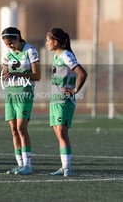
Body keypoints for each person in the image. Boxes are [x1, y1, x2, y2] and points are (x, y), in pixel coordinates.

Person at [46, 28, 87, 177]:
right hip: (56, 100)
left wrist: (75, 90)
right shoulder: (57, 56)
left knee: (62, 133)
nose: (46, 43)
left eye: (48, 40)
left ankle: (67, 168)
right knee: (58, 132)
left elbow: (82, 73)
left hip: (64, 100)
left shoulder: (65, 55)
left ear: (55, 42)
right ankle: (64, 167)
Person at [0, 27, 41, 175]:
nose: (9, 46)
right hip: (10, 93)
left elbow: (37, 76)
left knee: (21, 128)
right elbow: (5, 72)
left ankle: (28, 165)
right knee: (13, 130)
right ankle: (20, 164)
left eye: (11, 43)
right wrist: (3, 75)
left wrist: (17, 73)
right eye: (6, 44)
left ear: (18, 38)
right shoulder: (8, 53)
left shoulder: (30, 51)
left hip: (24, 93)